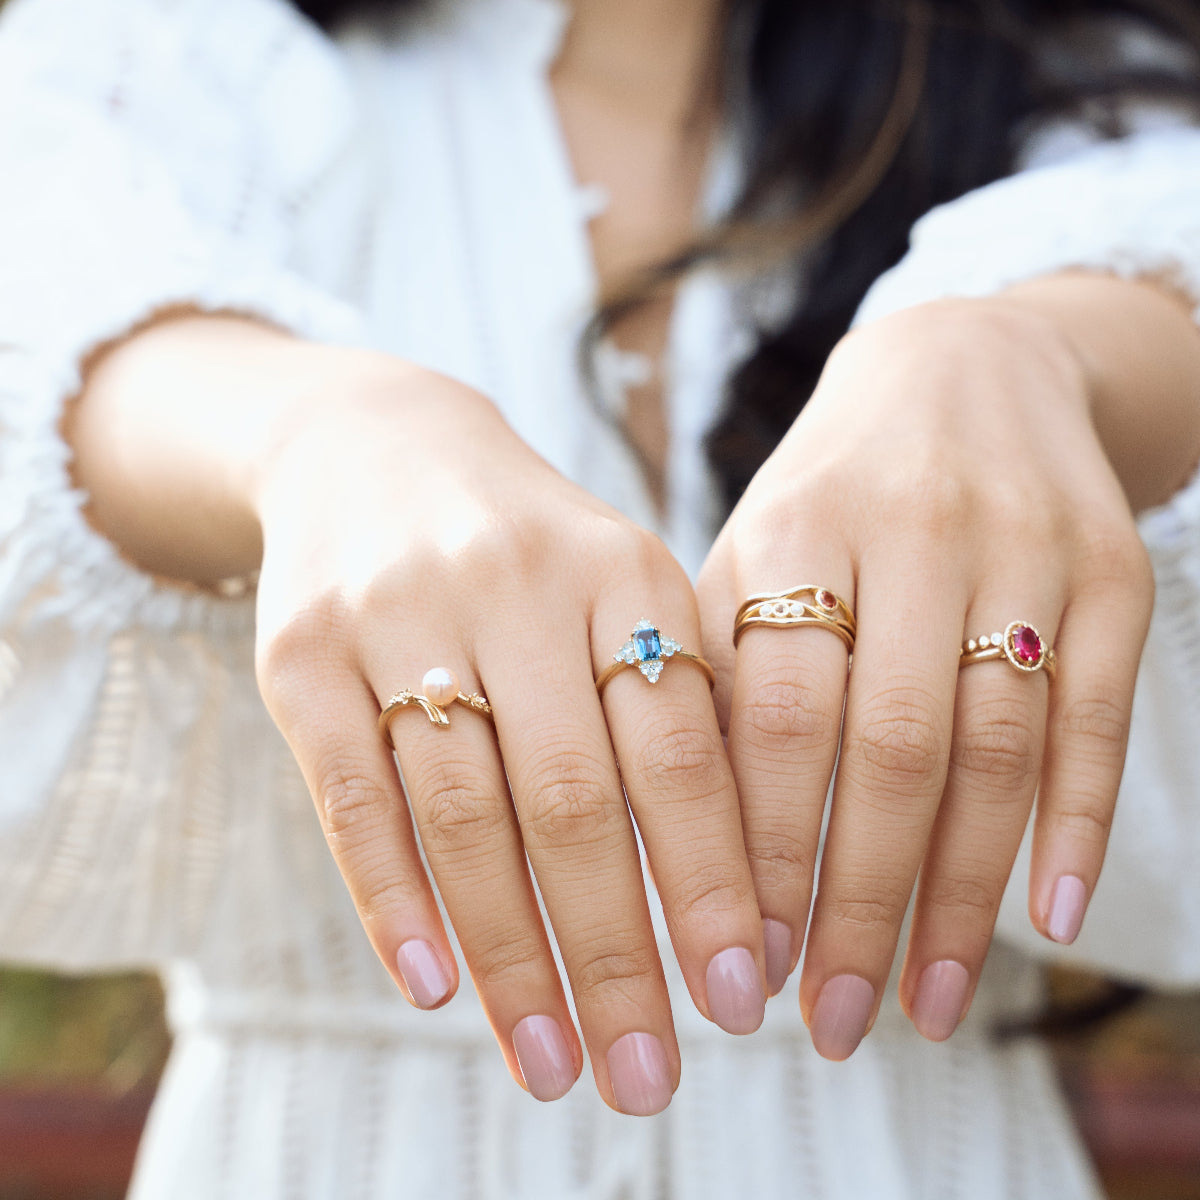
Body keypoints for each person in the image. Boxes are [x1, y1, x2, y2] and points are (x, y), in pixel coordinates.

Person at [1, 0, 1199, 1195]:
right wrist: (308, 433)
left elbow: (1154, 254)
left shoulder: (1070, 93)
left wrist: (1023, 356)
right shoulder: (179, 58)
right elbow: (53, 295)